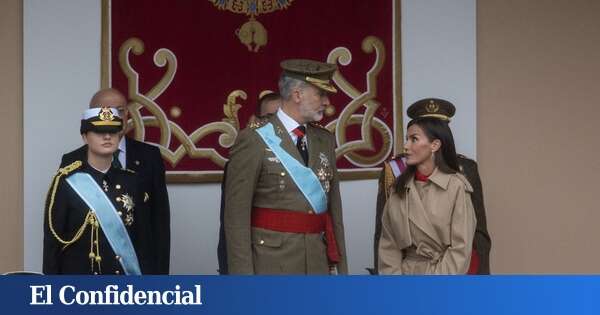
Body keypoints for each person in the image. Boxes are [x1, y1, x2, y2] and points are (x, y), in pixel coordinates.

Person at [224, 59, 348, 274]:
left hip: (317, 263)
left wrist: (342, 269)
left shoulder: (324, 140)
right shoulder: (254, 139)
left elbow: (334, 213)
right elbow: (236, 219)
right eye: (320, 94)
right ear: (297, 94)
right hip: (272, 265)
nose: (327, 101)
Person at [372, 98, 491, 274]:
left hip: (445, 280)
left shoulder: (457, 186)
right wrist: (395, 286)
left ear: (435, 144)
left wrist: (436, 287)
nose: (405, 146)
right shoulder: (397, 187)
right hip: (405, 282)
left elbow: (464, 246)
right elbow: (388, 245)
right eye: (407, 139)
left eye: (414, 139)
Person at [59, 88, 170, 274]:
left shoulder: (149, 157)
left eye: (120, 110)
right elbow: (61, 228)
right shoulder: (72, 161)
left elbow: (159, 221)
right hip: (88, 272)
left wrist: (160, 277)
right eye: (107, 111)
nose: (115, 116)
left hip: (136, 271)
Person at [43, 107, 150, 274]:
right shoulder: (66, 183)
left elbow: (144, 242)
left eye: (113, 131)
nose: (107, 137)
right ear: (85, 137)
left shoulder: (133, 182)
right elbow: (52, 246)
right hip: (78, 289)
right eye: (99, 131)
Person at [218, 91, 282, 275]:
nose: (275, 127)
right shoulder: (245, 159)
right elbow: (231, 224)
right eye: (268, 119)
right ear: (256, 120)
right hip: (258, 262)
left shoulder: (304, 158)